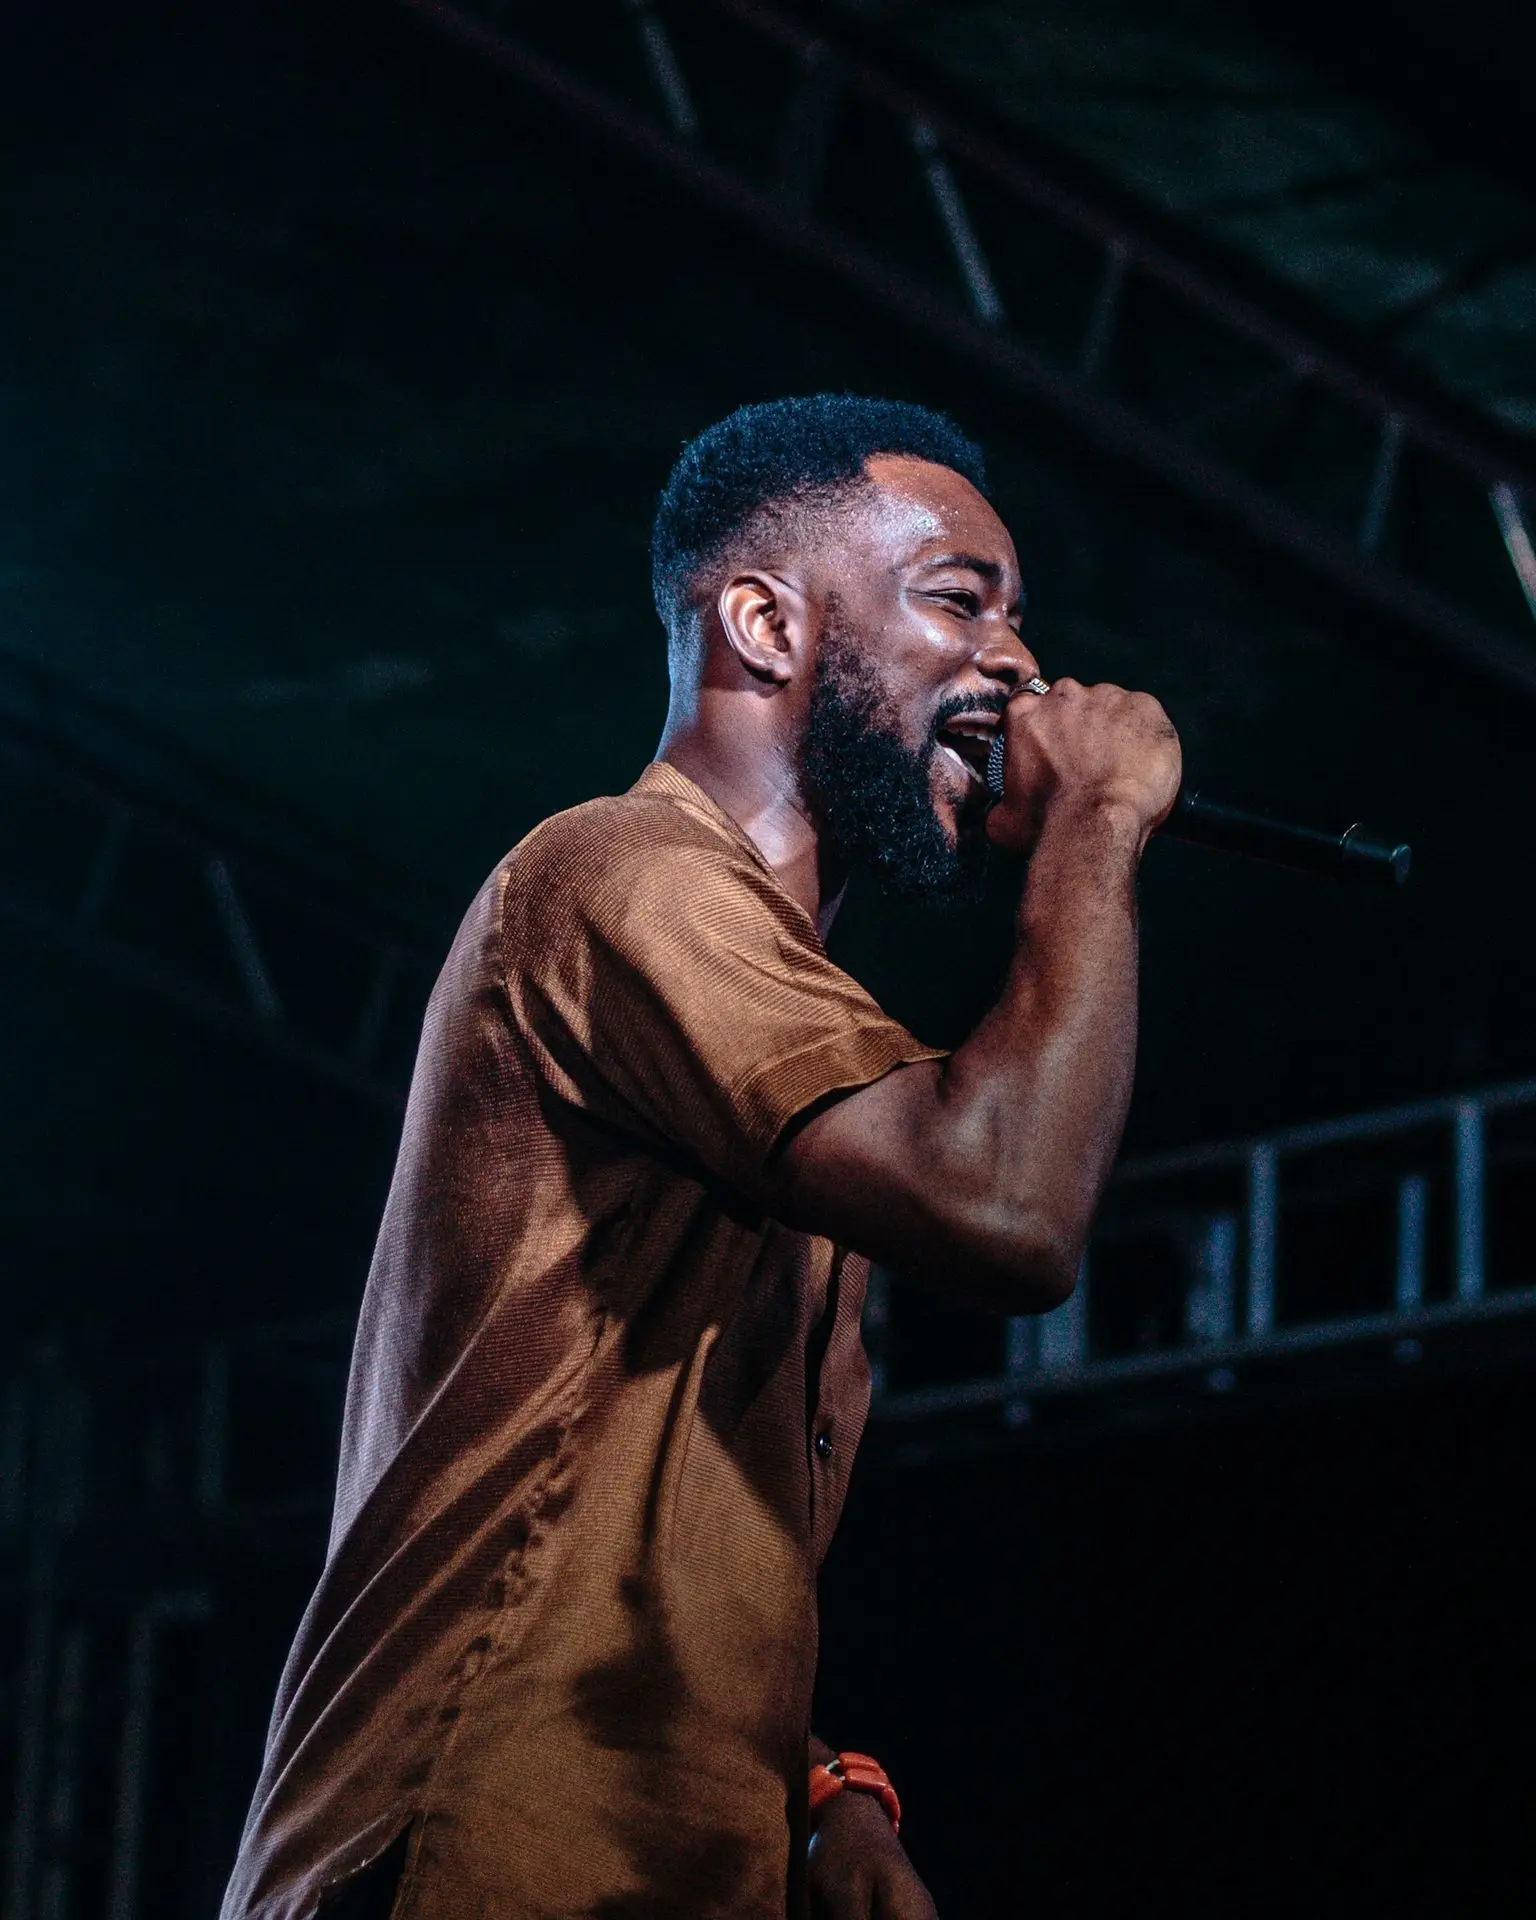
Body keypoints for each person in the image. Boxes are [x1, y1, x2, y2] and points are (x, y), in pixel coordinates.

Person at [220, 394, 1180, 1920]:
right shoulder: (614, 870)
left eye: (1022, 622)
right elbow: (1007, 1205)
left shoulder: (799, 1046)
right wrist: (1101, 823)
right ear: (764, 621)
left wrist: (817, 1794)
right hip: (467, 1852)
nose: (1020, 666)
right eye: (960, 602)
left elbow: (624, 1506)